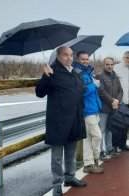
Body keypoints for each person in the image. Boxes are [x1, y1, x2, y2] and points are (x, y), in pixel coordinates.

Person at [35, 46, 87, 196]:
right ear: (58, 56)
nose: (69, 58)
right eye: (65, 55)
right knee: (57, 156)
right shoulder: (52, 71)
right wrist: (46, 76)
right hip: (58, 120)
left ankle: (70, 177)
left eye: (71, 55)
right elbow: (39, 93)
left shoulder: (74, 72)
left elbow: (78, 91)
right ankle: (57, 183)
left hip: (74, 118)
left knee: (70, 152)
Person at [73, 51, 106, 174]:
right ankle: (94, 159)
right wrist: (94, 85)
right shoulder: (78, 73)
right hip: (88, 110)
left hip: (94, 108)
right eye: (83, 59)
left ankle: (88, 164)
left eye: (87, 59)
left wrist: (94, 82)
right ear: (78, 59)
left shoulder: (87, 72)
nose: (86, 61)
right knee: (97, 136)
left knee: (88, 138)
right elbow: (81, 91)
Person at [96, 57, 123, 158]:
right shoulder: (100, 76)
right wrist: (112, 101)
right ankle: (100, 151)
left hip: (113, 108)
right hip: (103, 108)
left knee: (110, 129)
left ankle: (109, 149)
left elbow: (121, 90)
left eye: (111, 64)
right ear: (104, 65)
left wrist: (117, 100)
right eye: (107, 64)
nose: (110, 66)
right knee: (101, 130)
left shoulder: (115, 76)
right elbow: (101, 92)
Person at [114, 51, 129, 151]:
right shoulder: (116, 67)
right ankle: (114, 146)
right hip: (119, 101)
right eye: (127, 57)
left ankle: (123, 144)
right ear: (123, 58)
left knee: (126, 125)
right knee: (117, 125)